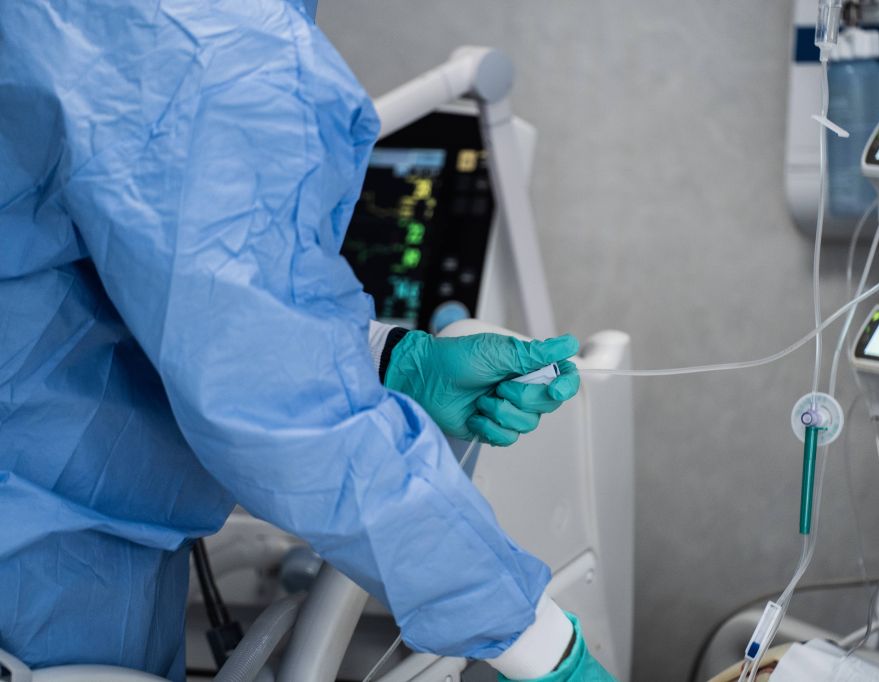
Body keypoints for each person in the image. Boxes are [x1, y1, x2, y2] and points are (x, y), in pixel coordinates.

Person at [0, 0, 615, 680]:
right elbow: (289, 405)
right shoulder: (199, 35)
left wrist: (389, 361)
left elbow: (123, 281)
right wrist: (543, 643)